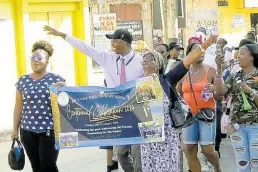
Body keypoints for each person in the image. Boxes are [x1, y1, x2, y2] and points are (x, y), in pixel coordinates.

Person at [44, 26, 144, 172]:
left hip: (136, 113)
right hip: (116, 114)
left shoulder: (140, 61)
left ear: (124, 42)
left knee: (137, 153)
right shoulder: (107, 58)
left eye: (115, 41)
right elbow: (85, 47)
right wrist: (63, 35)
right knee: (121, 153)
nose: (112, 44)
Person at [139, 34, 218, 172]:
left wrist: (206, 44)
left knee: (169, 167)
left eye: (150, 61)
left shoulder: (167, 80)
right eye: (143, 62)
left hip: (167, 137)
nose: (146, 64)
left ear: (158, 64)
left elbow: (187, 61)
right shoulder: (138, 86)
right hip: (148, 139)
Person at [215, 43, 258, 172]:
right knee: (242, 164)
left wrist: (250, 92)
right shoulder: (235, 76)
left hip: (257, 126)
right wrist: (219, 71)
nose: (238, 56)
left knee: (257, 163)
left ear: (252, 57)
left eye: (242, 53)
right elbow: (219, 92)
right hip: (237, 126)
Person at [11, 40, 65, 172]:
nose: (35, 61)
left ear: (47, 61)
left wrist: (64, 90)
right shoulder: (23, 81)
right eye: (33, 58)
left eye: (39, 58)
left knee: (48, 166)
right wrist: (14, 129)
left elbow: (65, 104)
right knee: (36, 167)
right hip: (27, 131)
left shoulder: (56, 80)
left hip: (49, 130)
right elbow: (18, 106)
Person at [179, 42, 221, 172]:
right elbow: (178, 93)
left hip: (206, 115)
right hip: (189, 116)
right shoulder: (183, 72)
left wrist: (215, 89)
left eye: (202, 50)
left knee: (207, 149)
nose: (200, 53)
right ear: (189, 55)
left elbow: (219, 96)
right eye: (196, 50)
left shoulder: (211, 70)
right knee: (189, 148)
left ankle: (217, 168)